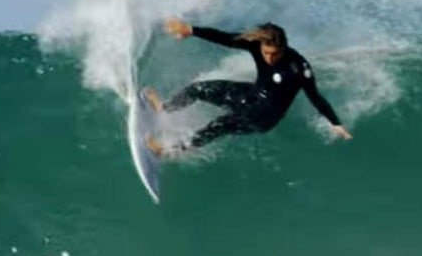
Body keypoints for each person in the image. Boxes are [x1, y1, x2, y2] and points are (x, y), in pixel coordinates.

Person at [143, 18, 352, 155]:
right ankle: (165, 108)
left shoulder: (298, 66)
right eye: (266, 52)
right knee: (199, 89)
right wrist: (191, 30)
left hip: (264, 117)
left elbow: (315, 96)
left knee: (219, 125)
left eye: (275, 54)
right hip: (250, 95)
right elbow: (225, 38)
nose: (270, 58)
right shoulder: (255, 45)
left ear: (284, 48)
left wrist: (335, 122)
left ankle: (168, 151)